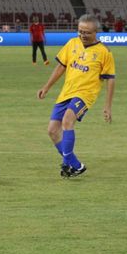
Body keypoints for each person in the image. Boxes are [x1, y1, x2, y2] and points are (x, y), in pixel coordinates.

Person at [37, 14, 115, 178]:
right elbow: (61, 67)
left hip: (85, 95)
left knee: (67, 121)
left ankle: (67, 164)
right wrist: (47, 87)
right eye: (80, 31)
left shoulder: (104, 52)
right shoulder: (72, 43)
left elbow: (110, 80)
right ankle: (75, 165)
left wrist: (107, 106)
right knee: (52, 131)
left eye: (87, 32)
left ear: (96, 32)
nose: (83, 35)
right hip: (67, 92)